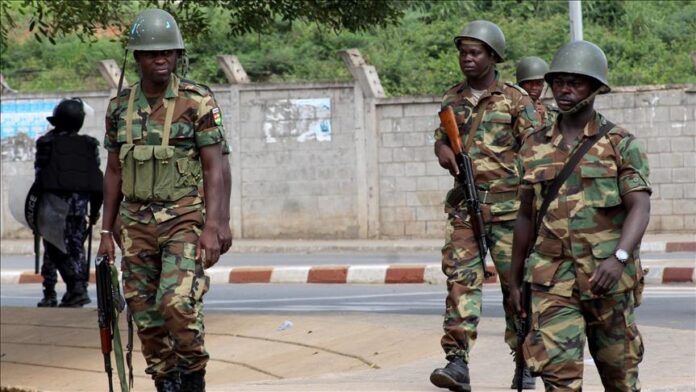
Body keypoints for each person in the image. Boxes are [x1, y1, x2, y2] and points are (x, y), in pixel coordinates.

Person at [97, 8, 229, 392]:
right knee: (145, 313)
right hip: (135, 223)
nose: (162, 60)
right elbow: (113, 172)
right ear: (137, 57)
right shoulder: (119, 108)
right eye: (153, 53)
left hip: (184, 219)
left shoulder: (197, 101)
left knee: (177, 303)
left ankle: (192, 378)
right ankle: (166, 382)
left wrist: (215, 225)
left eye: (168, 53)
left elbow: (215, 169)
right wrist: (107, 230)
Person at [509, 40, 650, 391]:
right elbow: (526, 216)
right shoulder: (533, 144)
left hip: (607, 279)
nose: (565, 90)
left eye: (576, 82)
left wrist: (619, 256)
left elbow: (640, 206)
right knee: (559, 379)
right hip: (552, 281)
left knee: (621, 379)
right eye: (559, 82)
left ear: (595, 87)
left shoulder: (620, 143)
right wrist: (514, 281)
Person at [429, 20, 540, 391]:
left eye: (475, 52)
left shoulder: (516, 99)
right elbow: (441, 140)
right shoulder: (452, 99)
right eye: (463, 52)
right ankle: (457, 363)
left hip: (511, 212)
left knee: (517, 288)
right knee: (461, 281)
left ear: (493, 56)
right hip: (466, 208)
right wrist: (445, 152)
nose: (467, 58)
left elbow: (537, 151)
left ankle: (525, 364)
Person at [34, 98, 103, 307]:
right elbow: (96, 179)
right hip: (79, 208)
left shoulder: (45, 143)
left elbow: (40, 177)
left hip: (52, 206)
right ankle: (76, 289)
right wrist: (95, 210)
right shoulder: (89, 145)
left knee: (53, 248)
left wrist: (35, 209)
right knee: (75, 249)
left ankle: (56, 292)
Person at [516, 56, 556, 127]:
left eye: (538, 83)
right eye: (529, 83)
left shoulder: (548, 112)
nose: (534, 87)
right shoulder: (511, 107)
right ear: (520, 84)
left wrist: (544, 117)